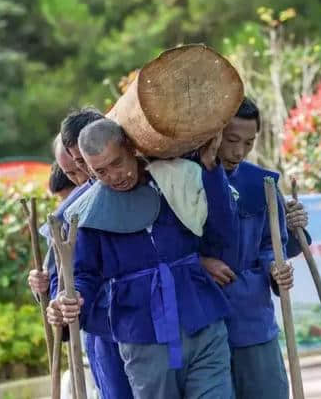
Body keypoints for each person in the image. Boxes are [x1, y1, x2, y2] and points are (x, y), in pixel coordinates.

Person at [48, 118, 236, 399]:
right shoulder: (84, 216)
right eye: (101, 171)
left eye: (117, 163)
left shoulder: (175, 181)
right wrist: (72, 298)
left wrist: (211, 170)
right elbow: (83, 274)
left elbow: (221, 234)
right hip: (142, 335)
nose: (114, 176)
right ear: (88, 168)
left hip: (201, 318)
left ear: (130, 148)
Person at [200, 97, 311, 399]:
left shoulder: (262, 182)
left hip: (252, 313)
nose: (238, 151)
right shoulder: (186, 180)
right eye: (232, 140)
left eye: (249, 143)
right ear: (214, 135)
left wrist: (275, 266)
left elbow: (270, 245)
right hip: (204, 315)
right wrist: (200, 262)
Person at [30, 109, 134, 399]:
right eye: (75, 168)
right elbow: (59, 281)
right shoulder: (69, 213)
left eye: (83, 166)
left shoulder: (144, 185)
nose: (84, 176)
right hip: (103, 329)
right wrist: (52, 298)